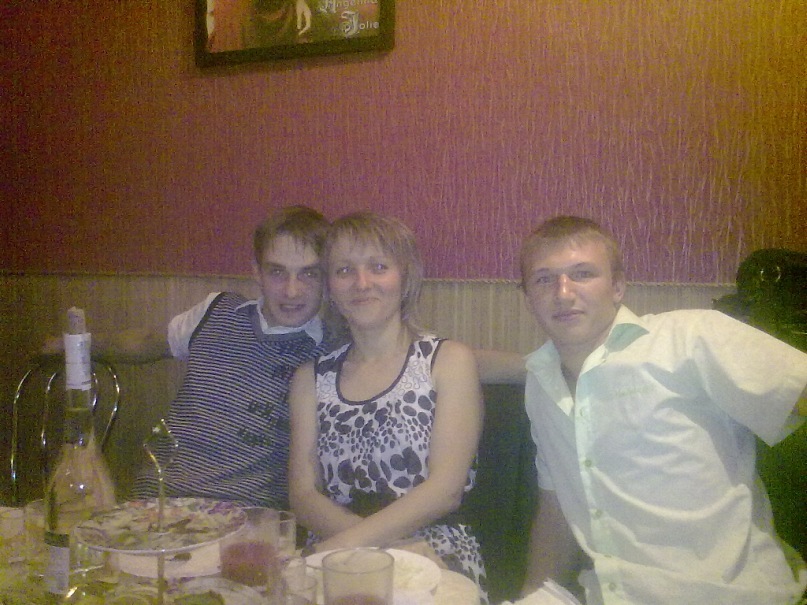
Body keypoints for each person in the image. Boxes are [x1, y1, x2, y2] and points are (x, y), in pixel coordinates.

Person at [518, 216, 807, 605]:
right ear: (528, 298)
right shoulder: (540, 383)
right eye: (543, 279)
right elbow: (556, 507)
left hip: (729, 596)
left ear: (618, 287)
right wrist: (530, 595)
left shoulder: (689, 337)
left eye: (583, 274)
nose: (563, 292)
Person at [43, 206, 333, 509]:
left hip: (247, 514)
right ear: (256, 272)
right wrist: (74, 345)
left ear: (325, 279)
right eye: (277, 272)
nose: (291, 290)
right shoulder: (217, 310)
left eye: (308, 273)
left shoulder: (332, 351)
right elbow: (146, 342)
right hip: (157, 499)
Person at [288, 211, 489, 599]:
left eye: (378, 267)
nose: (362, 283)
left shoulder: (448, 361)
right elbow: (303, 495)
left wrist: (356, 546)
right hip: (340, 551)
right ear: (330, 286)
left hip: (435, 549)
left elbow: (445, 490)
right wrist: (382, 550)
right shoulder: (310, 378)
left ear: (405, 277)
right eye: (344, 270)